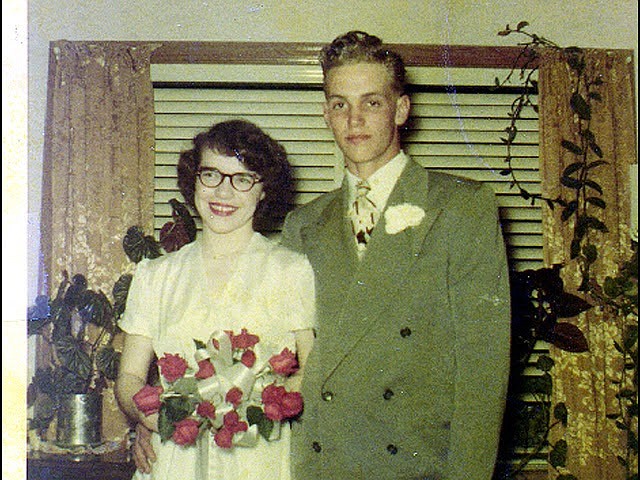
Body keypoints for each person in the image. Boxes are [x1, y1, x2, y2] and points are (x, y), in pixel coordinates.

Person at [279, 31, 511, 479]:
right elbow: (277, 355)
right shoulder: (303, 225)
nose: (354, 120)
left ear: (401, 110)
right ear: (325, 114)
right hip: (324, 463)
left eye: (372, 102)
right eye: (340, 104)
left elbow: (484, 369)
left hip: (416, 465)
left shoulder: (461, 207)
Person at [115, 119, 316, 480]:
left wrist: (255, 407)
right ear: (194, 180)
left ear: (263, 190)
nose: (223, 193)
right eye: (211, 175)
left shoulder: (292, 271)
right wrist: (157, 418)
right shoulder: (155, 276)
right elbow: (128, 376)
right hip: (173, 459)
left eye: (242, 179)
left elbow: (314, 368)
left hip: (260, 460)